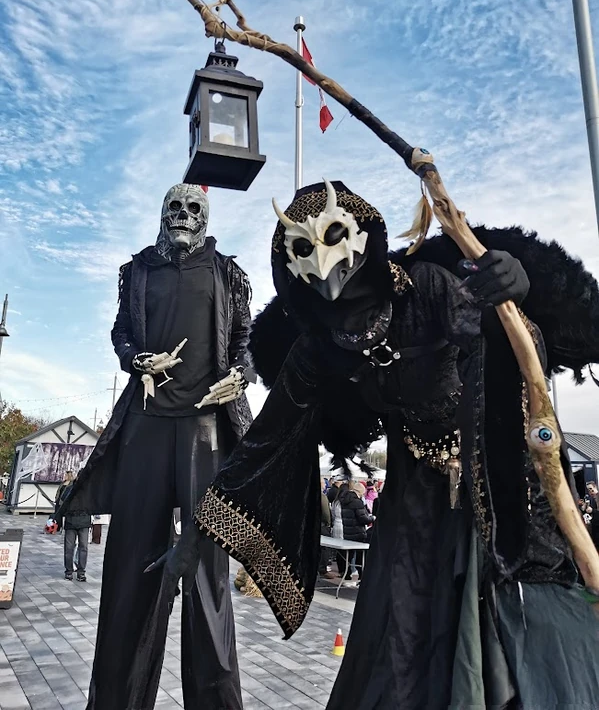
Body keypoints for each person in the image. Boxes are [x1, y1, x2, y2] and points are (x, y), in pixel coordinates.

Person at [167, 180, 599, 709]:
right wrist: (197, 536)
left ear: (362, 236)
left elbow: (499, 346)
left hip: (493, 482)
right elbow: (266, 439)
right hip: (411, 503)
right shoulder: (318, 347)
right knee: (401, 640)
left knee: (512, 635)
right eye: (302, 248)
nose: (323, 262)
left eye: (331, 236)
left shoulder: (427, 288)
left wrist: (510, 295)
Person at [57, 183, 253, 710]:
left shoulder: (228, 273)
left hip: (206, 432)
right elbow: (121, 332)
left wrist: (241, 373)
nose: (183, 216)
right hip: (145, 425)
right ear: (161, 213)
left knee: (209, 578)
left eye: (194, 209)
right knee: (129, 568)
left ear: (206, 218)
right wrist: (137, 361)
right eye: (175, 207)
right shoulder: (138, 269)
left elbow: (242, 341)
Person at [331, 481, 373, 584]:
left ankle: (347, 573)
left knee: (348, 554)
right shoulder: (357, 502)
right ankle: (361, 575)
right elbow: (363, 518)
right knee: (360, 555)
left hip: (347, 531)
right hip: (358, 531)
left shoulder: (343, 501)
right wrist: (372, 518)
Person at [55, 471, 91, 581]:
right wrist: (58, 520)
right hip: (72, 521)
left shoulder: (88, 489)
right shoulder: (70, 488)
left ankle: (80, 571)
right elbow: (61, 503)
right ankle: (70, 571)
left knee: (82, 547)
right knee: (71, 548)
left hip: (83, 521)